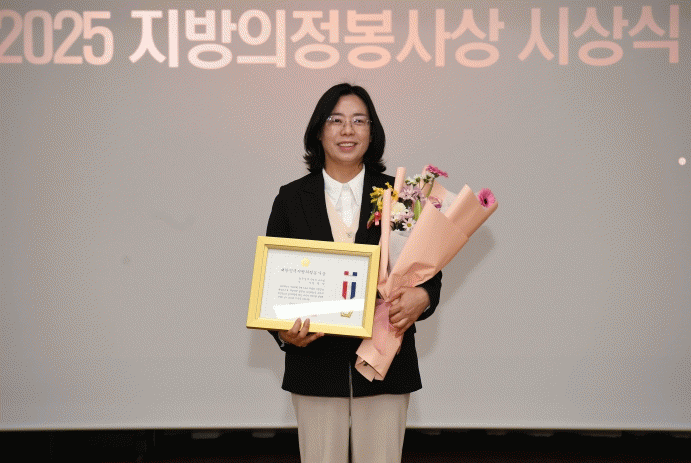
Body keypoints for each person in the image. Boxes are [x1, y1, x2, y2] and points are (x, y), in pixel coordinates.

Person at [265, 83, 442, 463]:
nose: (348, 130)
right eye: (336, 120)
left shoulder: (400, 195)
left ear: (372, 132)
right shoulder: (291, 198)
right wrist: (282, 331)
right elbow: (273, 281)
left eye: (359, 121)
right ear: (318, 131)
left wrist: (424, 296)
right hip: (315, 365)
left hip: (384, 360)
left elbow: (428, 266)